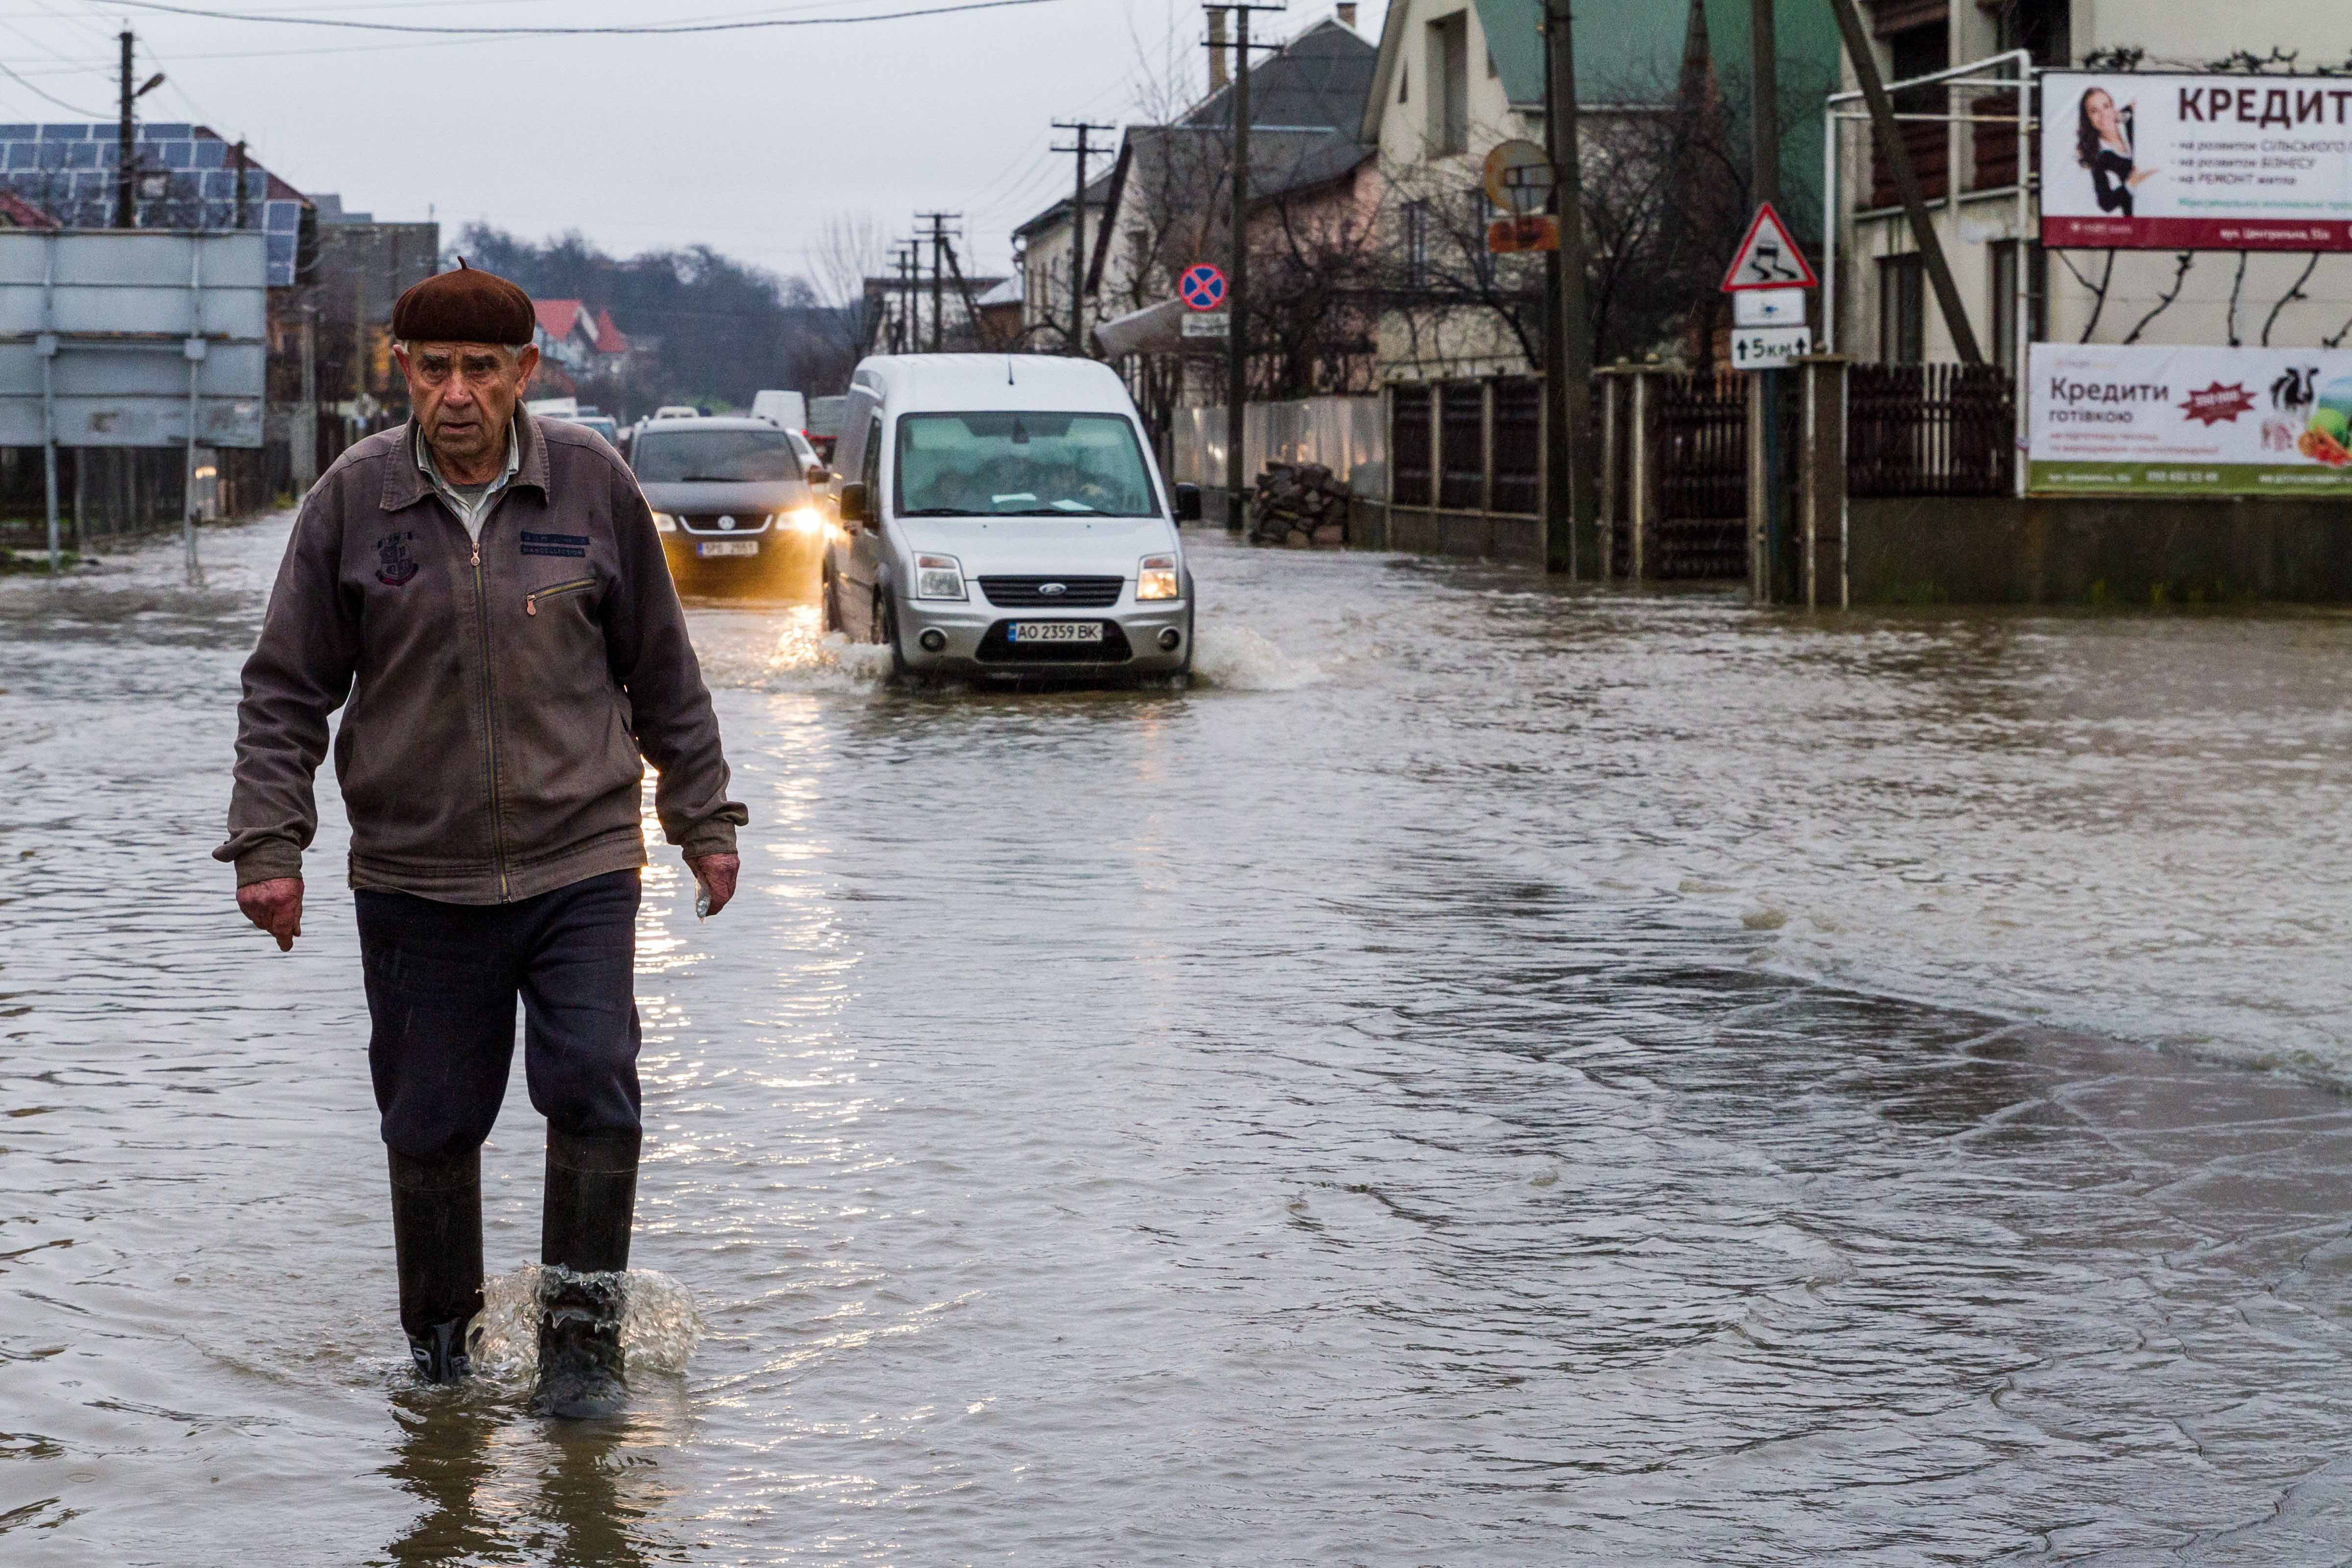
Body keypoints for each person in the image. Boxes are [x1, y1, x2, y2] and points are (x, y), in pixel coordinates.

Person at [216, 262, 746, 1414]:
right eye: (435, 368)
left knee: (596, 1081)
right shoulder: (355, 502)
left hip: (580, 859)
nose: (457, 394)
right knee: (432, 1116)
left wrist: (700, 818)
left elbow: (664, 672)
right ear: (401, 370)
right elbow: (283, 692)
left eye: (482, 369)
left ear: (526, 374)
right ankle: (444, 1371)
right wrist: (270, 846)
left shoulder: (594, 489)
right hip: (417, 873)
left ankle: (579, 1364)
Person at [2077, 87, 2153, 216]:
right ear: (2088, 118)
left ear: (2113, 109)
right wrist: (2131, 183)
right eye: (2094, 111)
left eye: (2106, 106)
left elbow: (2144, 103)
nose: (2103, 114)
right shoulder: (2099, 157)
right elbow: (2106, 203)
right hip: (2138, 221)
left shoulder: (2129, 119)